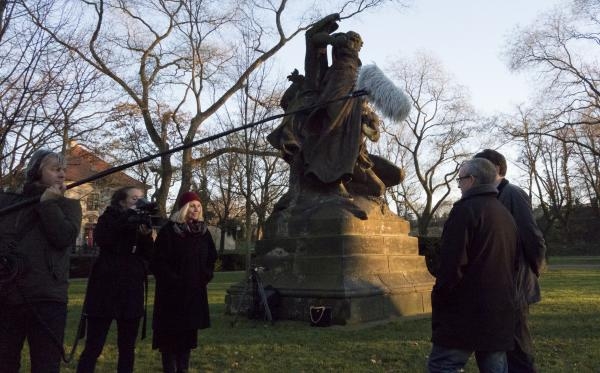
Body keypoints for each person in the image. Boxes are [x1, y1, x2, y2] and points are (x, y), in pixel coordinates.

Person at [428, 158, 518, 373]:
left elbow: (452, 265)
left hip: (465, 312)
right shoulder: (505, 214)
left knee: (443, 365)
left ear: (472, 179)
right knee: (495, 367)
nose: (459, 186)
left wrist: (440, 296)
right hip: (499, 310)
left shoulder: (465, 210)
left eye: (460, 180)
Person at [0, 149, 82, 373]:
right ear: (36, 171)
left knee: (45, 364)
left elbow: (63, 237)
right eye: (55, 169)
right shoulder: (7, 202)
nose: (62, 174)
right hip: (8, 296)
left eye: (63, 170)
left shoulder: (69, 206)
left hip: (48, 298)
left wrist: (48, 205)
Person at [474, 149, 547, 373]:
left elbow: (532, 236)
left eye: (479, 166)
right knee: (498, 349)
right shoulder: (488, 196)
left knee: (517, 351)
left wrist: (533, 270)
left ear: (496, 168)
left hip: (514, 286)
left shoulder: (512, 193)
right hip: (496, 287)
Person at [76, 187, 154, 373]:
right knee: (94, 344)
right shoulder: (107, 218)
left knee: (127, 347)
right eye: (134, 199)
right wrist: (127, 222)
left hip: (130, 290)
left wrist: (144, 236)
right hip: (105, 289)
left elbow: (148, 254)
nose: (139, 202)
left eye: (141, 198)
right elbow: (104, 240)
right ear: (122, 201)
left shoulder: (141, 222)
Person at [151, 191, 217, 373]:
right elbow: (158, 261)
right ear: (184, 208)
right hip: (171, 295)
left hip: (193, 293)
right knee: (170, 339)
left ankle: (183, 369)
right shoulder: (169, 231)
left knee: (187, 339)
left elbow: (211, 257)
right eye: (192, 206)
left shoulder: (203, 232)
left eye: (198, 206)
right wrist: (174, 280)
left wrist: (205, 275)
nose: (196, 209)